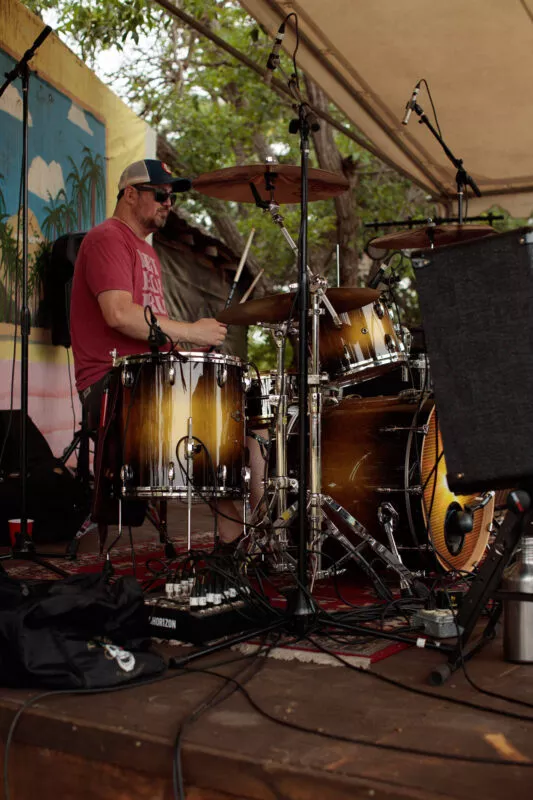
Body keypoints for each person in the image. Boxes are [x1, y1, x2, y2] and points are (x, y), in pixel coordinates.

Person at [70, 158, 243, 544]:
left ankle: (242, 547)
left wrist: (189, 344)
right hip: (112, 384)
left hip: (147, 379)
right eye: (162, 194)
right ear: (130, 194)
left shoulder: (147, 252)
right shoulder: (107, 238)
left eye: (172, 198)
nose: (169, 203)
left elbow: (154, 330)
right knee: (220, 432)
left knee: (240, 423)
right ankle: (235, 547)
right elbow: (118, 314)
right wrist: (190, 330)